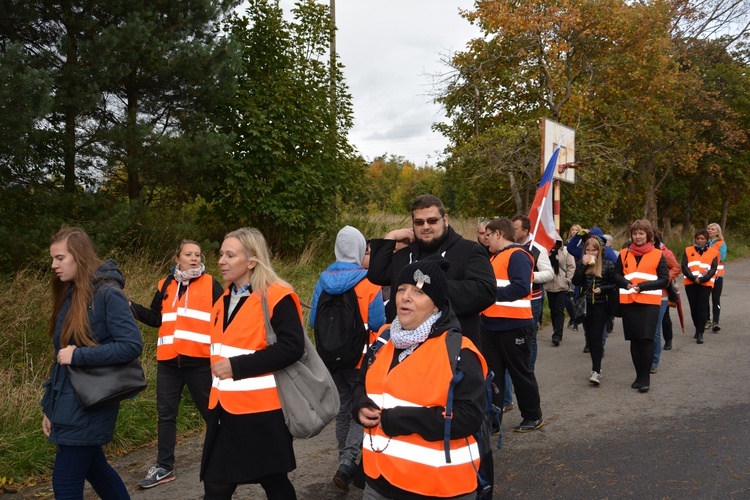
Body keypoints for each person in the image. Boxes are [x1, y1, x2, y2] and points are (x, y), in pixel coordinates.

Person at [354, 257, 488, 499]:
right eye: (402, 289)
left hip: (437, 486)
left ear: (436, 305)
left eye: (418, 292)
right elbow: (360, 384)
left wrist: (399, 420)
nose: (405, 297)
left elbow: (469, 417)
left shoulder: (458, 350)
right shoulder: (384, 338)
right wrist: (359, 405)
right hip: (379, 480)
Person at [201, 228, 305, 499]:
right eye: (221, 254)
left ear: (251, 261)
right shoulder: (223, 299)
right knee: (216, 484)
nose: (221, 260)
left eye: (230, 255)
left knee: (273, 480)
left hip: (264, 413)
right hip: (225, 410)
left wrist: (236, 367)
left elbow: (292, 348)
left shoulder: (277, 295)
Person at [42, 227, 143, 499]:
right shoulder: (72, 293)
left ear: (78, 256)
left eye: (60, 258)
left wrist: (79, 355)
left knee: (65, 483)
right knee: (96, 470)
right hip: (68, 403)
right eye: (53, 258)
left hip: (91, 402)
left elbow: (131, 345)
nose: (54, 265)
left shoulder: (108, 294)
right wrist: (49, 407)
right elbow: (59, 357)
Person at [129, 240, 224, 488]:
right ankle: (164, 467)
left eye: (198, 254)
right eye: (188, 254)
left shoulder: (211, 283)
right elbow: (156, 318)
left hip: (200, 361)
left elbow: (224, 317)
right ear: (177, 258)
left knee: (211, 411)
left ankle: (228, 454)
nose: (194, 258)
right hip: (169, 362)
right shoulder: (166, 284)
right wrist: (130, 307)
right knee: (166, 415)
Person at [309, 226, 385, 492]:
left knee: (343, 410)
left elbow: (312, 319)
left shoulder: (323, 280)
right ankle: (348, 462)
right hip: (360, 360)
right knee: (359, 410)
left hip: (330, 358)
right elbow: (377, 321)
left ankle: (345, 459)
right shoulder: (368, 282)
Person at [367, 194, 496, 347]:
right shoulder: (405, 255)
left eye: (432, 221)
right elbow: (377, 274)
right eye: (419, 222)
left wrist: (431, 288)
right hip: (404, 349)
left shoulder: (469, 250)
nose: (426, 226)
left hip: (450, 348)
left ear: (445, 220)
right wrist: (390, 237)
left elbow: (486, 291)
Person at [481, 218, 545, 433]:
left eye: (488, 235)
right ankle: (493, 421)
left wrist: (487, 295)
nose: (485, 239)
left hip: (515, 325)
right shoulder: (495, 257)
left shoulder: (518, 254)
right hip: (491, 325)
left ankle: (533, 416)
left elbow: (520, 287)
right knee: (494, 376)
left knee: (520, 373)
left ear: (498, 233)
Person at [614, 219, 669, 393]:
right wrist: (625, 282)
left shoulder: (658, 254)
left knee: (646, 339)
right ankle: (638, 376)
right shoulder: (623, 253)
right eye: (635, 233)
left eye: (641, 233)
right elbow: (616, 274)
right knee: (634, 340)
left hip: (649, 303)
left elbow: (664, 279)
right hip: (629, 302)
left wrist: (643, 286)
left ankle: (645, 378)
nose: (637, 236)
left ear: (648, 235)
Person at [511, 214, 554, 371]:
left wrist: (530, 276)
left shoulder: (537, 249)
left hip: (532, 299)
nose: (511, 231)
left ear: (525, 230)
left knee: (530, 337)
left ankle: (528, 371)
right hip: (513, 298)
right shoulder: (509, 246)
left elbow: (549, 273)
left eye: (515, 229)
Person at [571, 236, 616, 385]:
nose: (590, 253)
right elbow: (575, 282)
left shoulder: (608, 265)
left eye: (593, 250)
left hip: (601, 305)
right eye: (588, 250)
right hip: (586, 305)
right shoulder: (582, 263)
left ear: (599, 251)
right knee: (590, 338)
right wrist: (582, 265)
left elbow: (614, 285)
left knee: (596, 337)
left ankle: (596, 370)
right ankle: (596, 366)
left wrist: (601, 289)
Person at [681, 229, 719, 345]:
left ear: (707, 240)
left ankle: (700, 332)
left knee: (702, 307)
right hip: (691, 283)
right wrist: (693, 278)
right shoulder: (688, 250)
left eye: (702, 239)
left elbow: (713, 268)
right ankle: (697, 327)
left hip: (705, 284)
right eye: (698, 238)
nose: (700, 241)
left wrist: (702, 279)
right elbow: (684, 266)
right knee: (694, 308)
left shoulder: (713, 252)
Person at [650, 233, 681, 373]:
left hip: (661, 295)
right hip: (642, 295)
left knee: (655, 329)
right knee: (645, 330)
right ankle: (645, 358)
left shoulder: (664, 253)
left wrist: (665, 279)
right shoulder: (634, 252)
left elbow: (676, 267)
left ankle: (654, 362)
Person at [544, 240, 576, 346]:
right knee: (553, 310)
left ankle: (558, 334)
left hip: (562, 285)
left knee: (559, 309)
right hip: (549, 285)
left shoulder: (565, 251)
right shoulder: (546, 251)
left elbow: (571, 266)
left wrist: (568, 279)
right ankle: (555, 329)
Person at [706, 223, 727, 332]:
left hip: (718, 275)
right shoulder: (703, 242)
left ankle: (716, 322)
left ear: (717, 232)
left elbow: (721, 257)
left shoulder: (721, 243)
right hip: (705, 275)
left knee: (715, 299)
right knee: (705, 299)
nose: (710, 230)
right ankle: (707, 320)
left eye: (712, 229)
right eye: (709, 229)